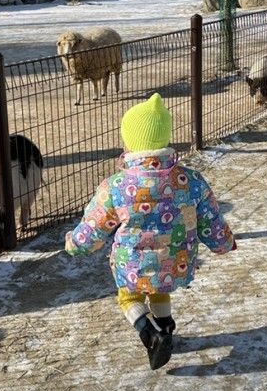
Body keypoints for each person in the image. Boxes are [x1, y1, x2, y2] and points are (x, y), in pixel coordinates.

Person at [65, 93, 235, 370]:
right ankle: (166, 327)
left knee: (130, 295)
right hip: (175, 262)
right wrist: (224, 242)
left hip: (132, 265)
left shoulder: (116, 186)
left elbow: (94, 226)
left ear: (130, 142)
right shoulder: (189, 180)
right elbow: (211, 220)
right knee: (159, 284)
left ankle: (150, 333)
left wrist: (74, 243)